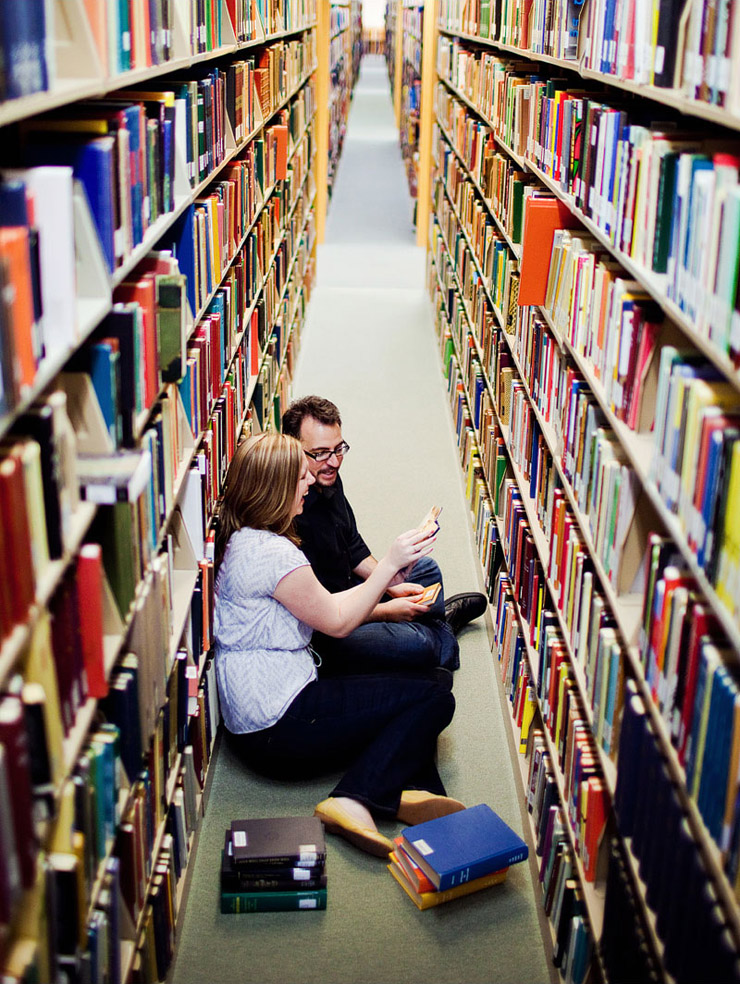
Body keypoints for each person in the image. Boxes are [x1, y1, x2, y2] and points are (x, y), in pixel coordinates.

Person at [213, 432, 464, 857]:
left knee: (423, 680)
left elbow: (325, 604)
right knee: (437, 697)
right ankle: (356, 795)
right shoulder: (275, 555)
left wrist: (387, 587)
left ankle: (410, 787)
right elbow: (339, 622)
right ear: (274, 488)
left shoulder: (246, 541)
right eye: (299, 478)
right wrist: (390, 565)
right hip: (281, 726)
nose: (309, 483)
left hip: (268, 710)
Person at [281, 395, 488, 675]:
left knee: (427, 570)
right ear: (293, 449)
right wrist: (387, 610)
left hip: (348, 587)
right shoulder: (291, 515)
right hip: (327, 628)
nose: (334, 462)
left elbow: (352, 544)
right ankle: (441, 633)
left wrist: (389, 584)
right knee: (417, 643)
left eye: (339, 449)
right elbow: (326, 612)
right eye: (320, 453)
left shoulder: (326, 476)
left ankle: (433, 631)